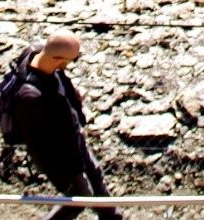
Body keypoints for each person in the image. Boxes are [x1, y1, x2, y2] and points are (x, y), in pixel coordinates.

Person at [9, 30, 121, 220]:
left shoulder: (42, 60)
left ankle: (112, 217)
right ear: (58, 59)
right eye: (72, 60)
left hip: (74, 139)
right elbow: (39, 142)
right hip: (59, 158)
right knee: (80, 198)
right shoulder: (29, 96)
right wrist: (70, 169)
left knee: (96, 177)